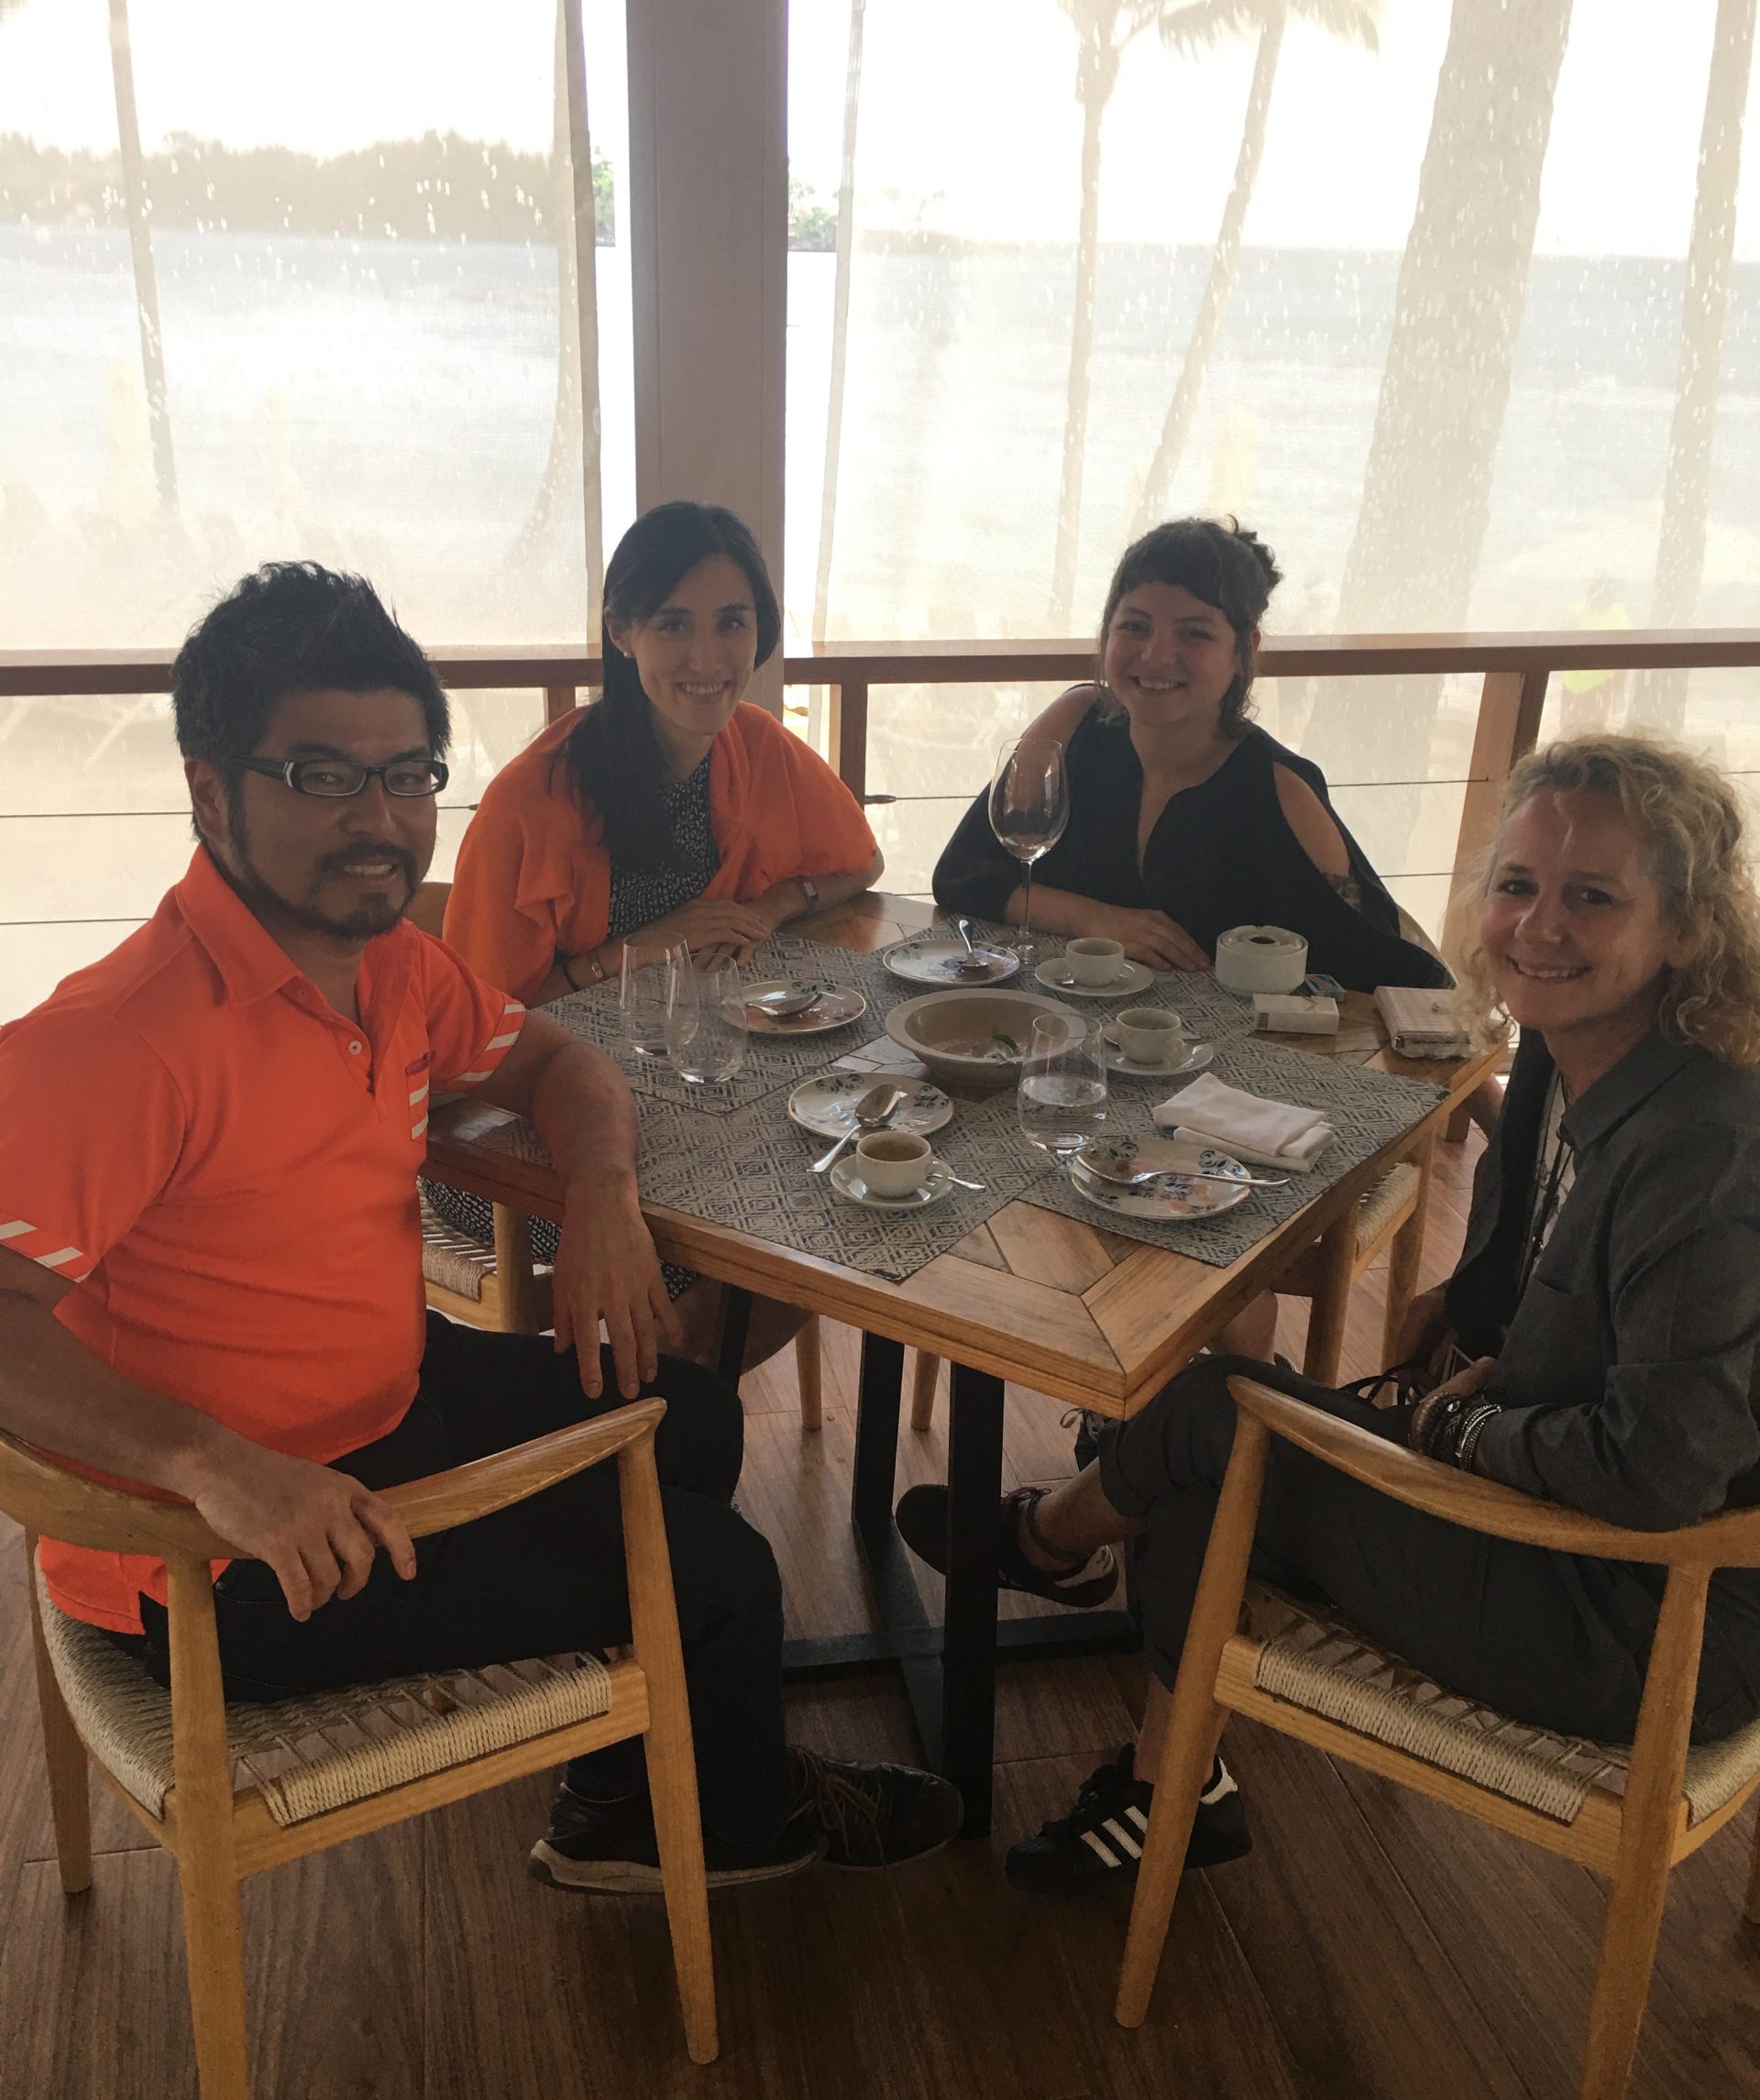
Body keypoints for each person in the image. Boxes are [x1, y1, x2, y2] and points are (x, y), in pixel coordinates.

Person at [0, 561, 959, 1896]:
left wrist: (603, 1198)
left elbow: (559, 1061)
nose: (378, 821)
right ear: (211, 793)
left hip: (385, 1399)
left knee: (686, 1409)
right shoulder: (117, 1041)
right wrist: (212, 1464)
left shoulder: (387, 960)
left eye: (406, 774)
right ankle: (721, 1826)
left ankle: (622, 1777)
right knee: (721, 1574)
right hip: (232, 1556)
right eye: (321, 776)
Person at [899, 732, 1760, 1894]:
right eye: (1518, 884)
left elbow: (1659, 1471)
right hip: (1547, 1513)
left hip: (1646, 1616)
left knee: (1215, 1414)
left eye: (1592, 897)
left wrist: (1460, 1429)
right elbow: (1562, 1281)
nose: (1538, 926)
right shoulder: (1568, 1059)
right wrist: (1464, 1305)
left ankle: (1051, 1542)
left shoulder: (1705, 1152)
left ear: (1690, 929)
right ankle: (1170, 1784)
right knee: (1211, 1458)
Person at [434, 501, 883, 1369]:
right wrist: (643, 947)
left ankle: (658, 1425)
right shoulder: (533, 800)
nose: (708, 658)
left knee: (826, 1207)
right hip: (520, 1146)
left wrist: (773, 907)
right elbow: (474, 1037)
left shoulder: (754, 746)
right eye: (674, 624)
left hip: (691, 1107)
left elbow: (859, 860)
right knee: (757, 1248)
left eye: (732, 623)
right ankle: (632, 1425)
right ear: (622, 630)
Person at [931, 516, 1449, 995]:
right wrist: (1097, 920)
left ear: (1243, 651)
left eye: (1194, 633)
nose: (1156, 655)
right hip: (1057, 1027)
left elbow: (1398, 977)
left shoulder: (1280, 791)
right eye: (1135, 626)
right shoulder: (1072, 724)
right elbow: (963, 874)